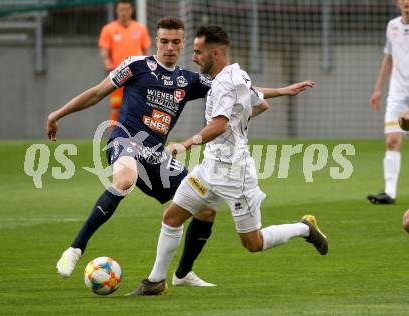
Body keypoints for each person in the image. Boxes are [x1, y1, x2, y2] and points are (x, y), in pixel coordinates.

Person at [47, 16, 314, 287]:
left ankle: (183, 273)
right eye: (164, 41)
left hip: (157, 154)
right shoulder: (136, 66)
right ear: (156, 41)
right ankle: (75, 249)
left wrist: (281, 91)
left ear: (183, 44)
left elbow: (240, 91)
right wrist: (58, 114)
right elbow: (96, 93)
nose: (170, 47)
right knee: (124, 181)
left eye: (176, 42)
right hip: (126, 140)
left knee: (204, 208)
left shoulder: (188, 80)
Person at [128, 25, 324, 296]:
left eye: (198, 52)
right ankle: (155, 282)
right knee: (172, 216)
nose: (194, 57)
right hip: (209, 168)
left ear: (215, 53)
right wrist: (279, 93)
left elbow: (219, 126)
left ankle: (303, 228)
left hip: (235, 174)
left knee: (253, 243)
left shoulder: (225, 83)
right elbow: (260, 104)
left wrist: (186, 144)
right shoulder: (237, 74)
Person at [367, 0, 409, 205]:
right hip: (397, 94)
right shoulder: (392, 25)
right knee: (392, 140)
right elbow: (389, 58)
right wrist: (378, 89)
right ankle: (390, 193)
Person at [98, 0, 151, 125]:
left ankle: (135, 138)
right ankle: (116, 137)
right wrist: (107, 62)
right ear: (117, 11)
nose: (124, 13)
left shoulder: (140, 28)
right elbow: (104, 51)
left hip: (137, 75)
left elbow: (147, 51)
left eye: (126, 10)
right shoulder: (108, 29)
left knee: (138, 106)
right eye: (121, 10)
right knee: (117, 107)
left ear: (131, 11)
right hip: (118, 73)